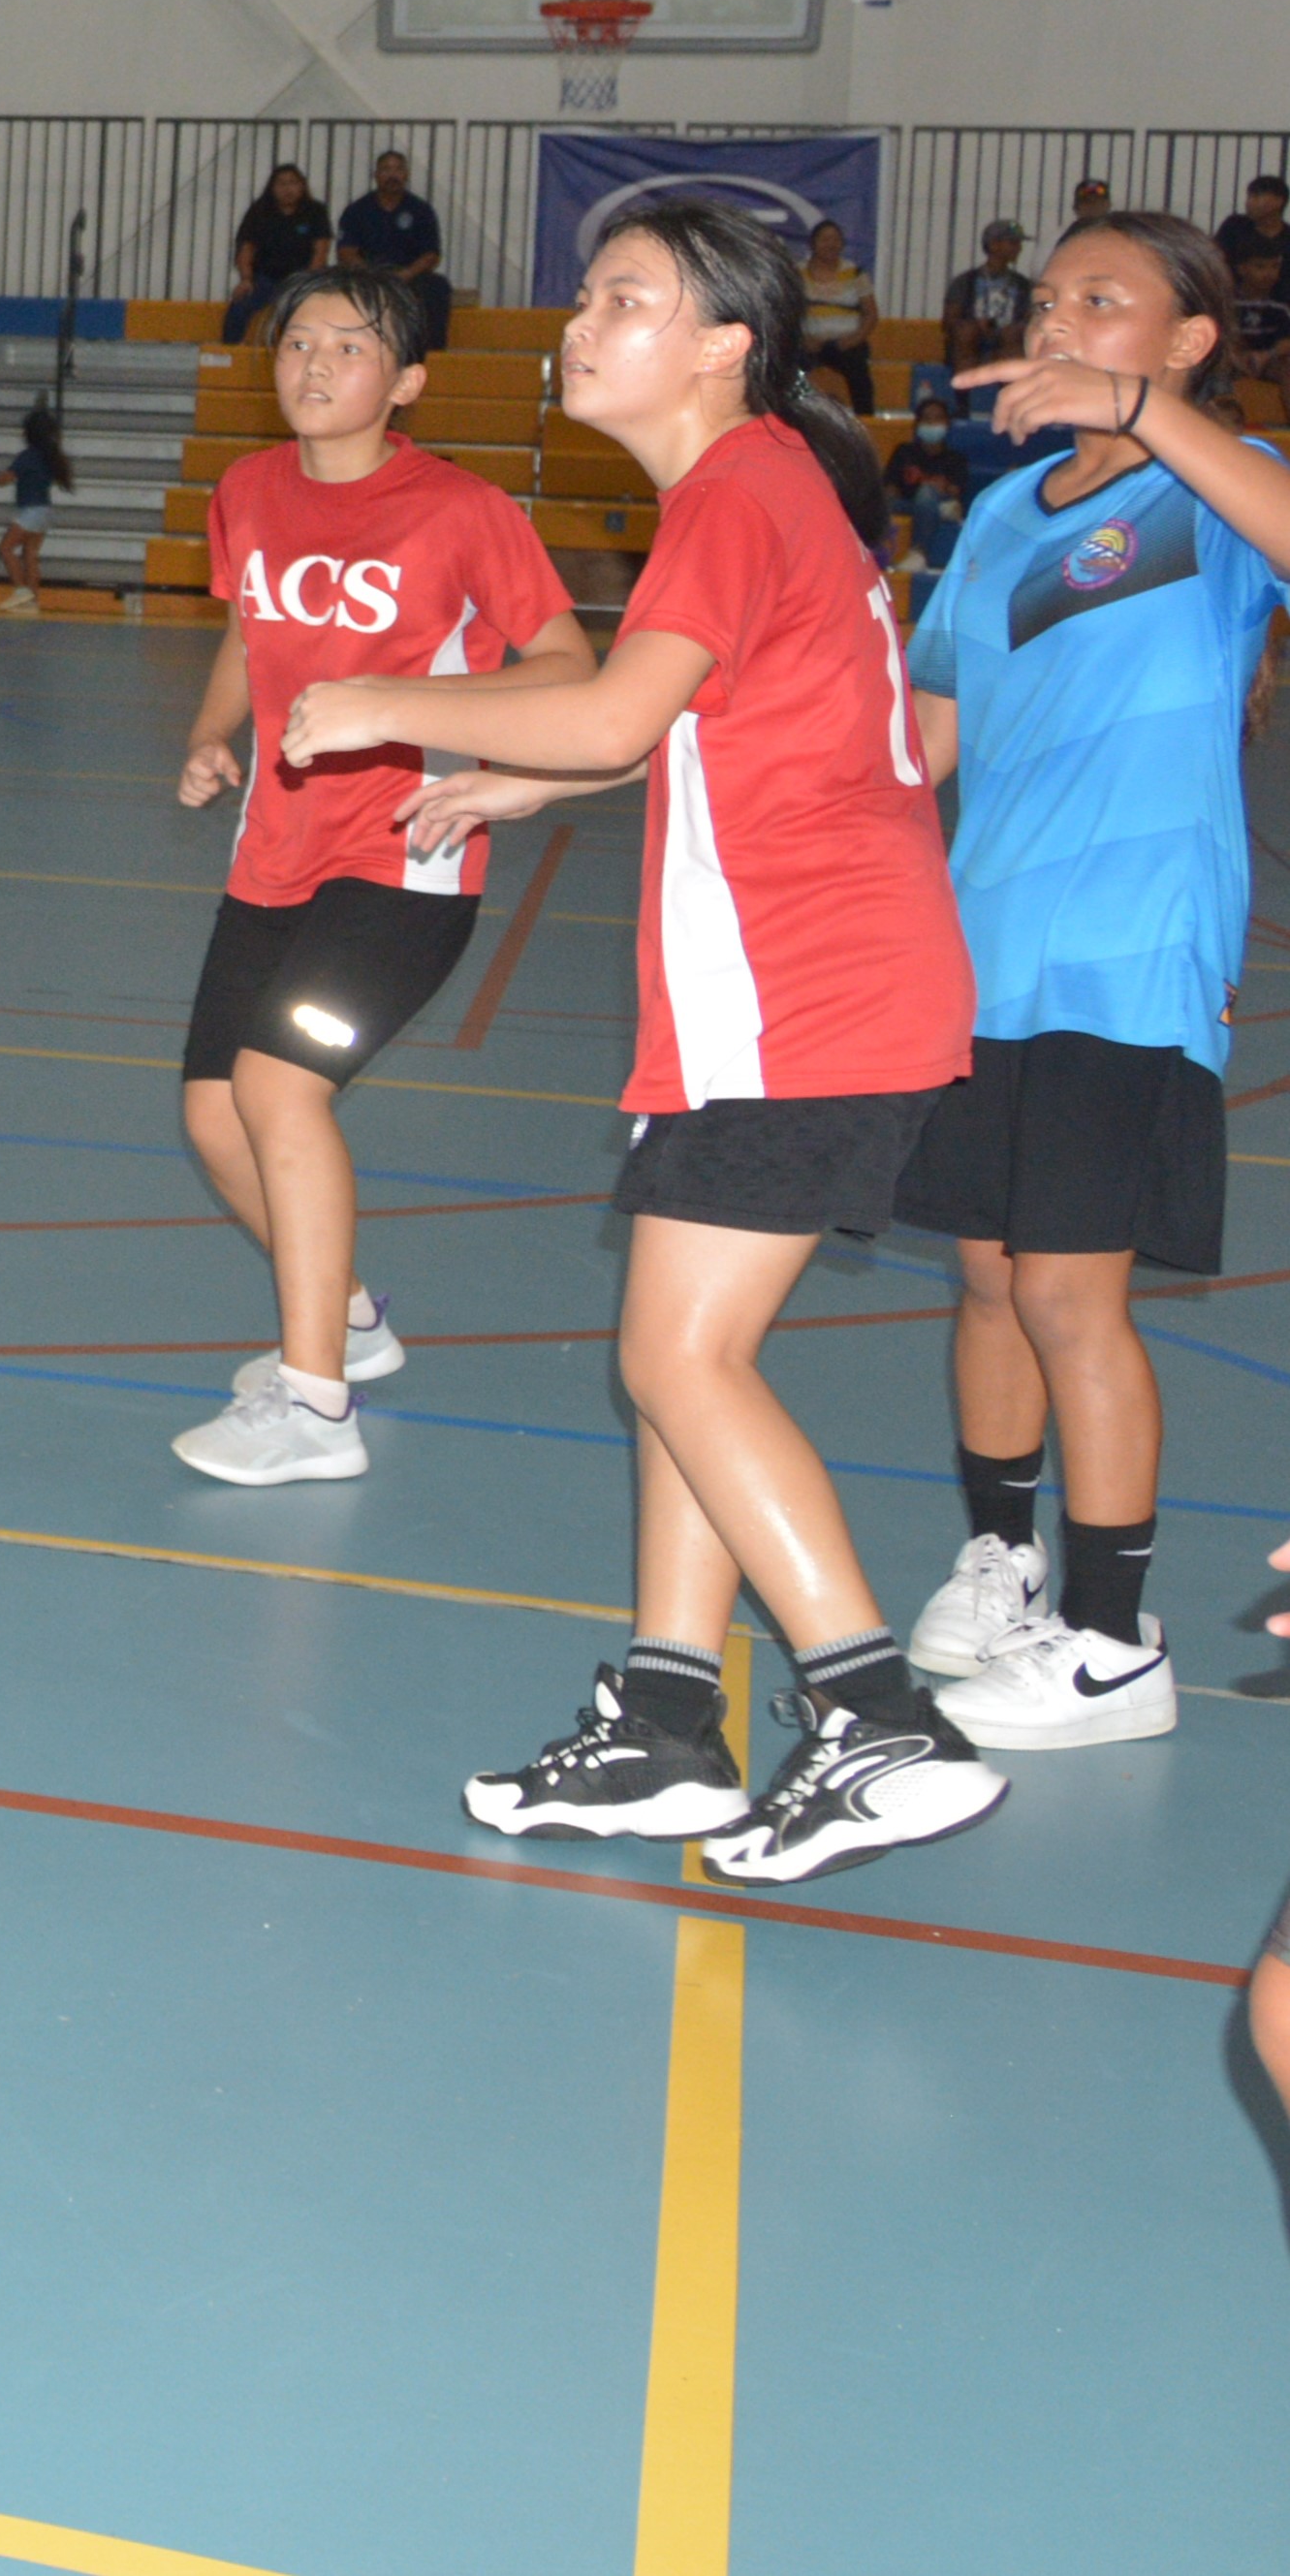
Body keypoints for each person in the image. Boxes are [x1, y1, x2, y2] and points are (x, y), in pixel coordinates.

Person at [283, 199, 1005, 1886]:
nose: (577, 325)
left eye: (623, 299)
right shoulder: (759, 498)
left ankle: (879, 1713)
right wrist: (546, 778)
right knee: (676, 1363)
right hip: (790, 993)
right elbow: (704, 725)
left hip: (803, 996)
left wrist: (388, 700)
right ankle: (674, 1726)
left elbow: (622, 702)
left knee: (679, 1362)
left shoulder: (739, 487)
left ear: (723, 343)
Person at [885, 213, 1290, 1750]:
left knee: (1067, 1286)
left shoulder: (1214, 497)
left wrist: (1145, 419)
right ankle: (1002, 1557)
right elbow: (928, 737)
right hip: (984, 938)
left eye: (1100, 304)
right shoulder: (994, 524)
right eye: (1046, 302)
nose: (1057, 324)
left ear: (1186, 341)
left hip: (1129, 941)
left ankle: (1115, 1645)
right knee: (984, 1274)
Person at [169, 269, 588, 1484]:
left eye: (347, 348)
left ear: (402, 382)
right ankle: (348, 1317)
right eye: (295, 342)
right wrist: (212, 732)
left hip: (407, 856)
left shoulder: (458, 510)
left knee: (278, 1088)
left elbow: (566, 665)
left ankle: (315, 1407)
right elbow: (248, 632)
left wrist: (399, 706)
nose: (310, 365)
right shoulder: (247, 490)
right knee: (213, 1114)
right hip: (274, 852)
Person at [335, 149, 452, 355]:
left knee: (438, 288)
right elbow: (346, 252)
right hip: (367, 276)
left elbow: (431, 255)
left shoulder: (421, 210)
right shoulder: (357, 210)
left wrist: (405, 275)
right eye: (386, 169)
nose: (392, 175)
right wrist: (373, 275)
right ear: (376, 175)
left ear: (406, 175)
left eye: (398, 169)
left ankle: (433, 354)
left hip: (409, 276)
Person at [224, 163, 331, 346]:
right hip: (265, 279)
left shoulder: (315, 211)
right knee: (240, 305)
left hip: (302, 280)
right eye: (281, 184)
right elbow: (246, 249)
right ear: (272, 188)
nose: (287, 188)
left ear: (302, 186)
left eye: (292, 183)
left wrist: (309, 282)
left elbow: (320, 251)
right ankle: (230, 353)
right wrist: (246, 279)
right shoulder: (259, 211)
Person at [0, 403, 71, 613]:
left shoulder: (27, 456)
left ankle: (21, 591)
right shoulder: (50, 456)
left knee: (5, 548)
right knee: (30, 554)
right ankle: (33, 601)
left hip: (31, 511)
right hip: (45, 511)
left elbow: (8, 478)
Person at [884, 399, 973, 571]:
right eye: (927, 418)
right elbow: (890, 487)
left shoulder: (955, 459)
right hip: (907, 504)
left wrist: (939, 490)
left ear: (947, 423)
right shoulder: (904, 451)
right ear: (918, 423)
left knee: (926, 493)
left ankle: (919, 553)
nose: (932, 423)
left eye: (938, 418)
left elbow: (955, 490)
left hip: (936, 500)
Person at [799, 219, 877, 412]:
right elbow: (785, 312)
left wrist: (852, 340)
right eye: (824, 239)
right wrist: (802, 339)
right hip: (807, 343)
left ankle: (866, 423)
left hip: (847, 344)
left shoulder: (855, 273)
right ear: (812, 244)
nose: (830, 244)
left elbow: (871, 314)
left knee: (860, 375)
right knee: (786, 371)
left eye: (835, 240)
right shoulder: (796, 273)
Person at [944, 221, 1034, 375]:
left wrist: (1017, 328)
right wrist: (975, 325)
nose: (1019, 248)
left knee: (1013, 336)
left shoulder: (1023, 285)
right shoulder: (965, 282)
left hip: (1009, 340)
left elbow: (1031, 317)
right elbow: (949, 321)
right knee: (965, 333)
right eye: (1013, 243)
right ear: (994, 245)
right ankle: (963, 395)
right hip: (972, 340)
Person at [1227, 245, 1289, 395]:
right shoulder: (1228, 300)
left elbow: (1286, 340)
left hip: (1268, 359)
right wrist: (1238, 358)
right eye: (1260, 267)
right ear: (1242, 269)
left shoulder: (1281, 303)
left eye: (1275, 267)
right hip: (1230, 358)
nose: (1269, 274)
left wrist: (1265, 356)